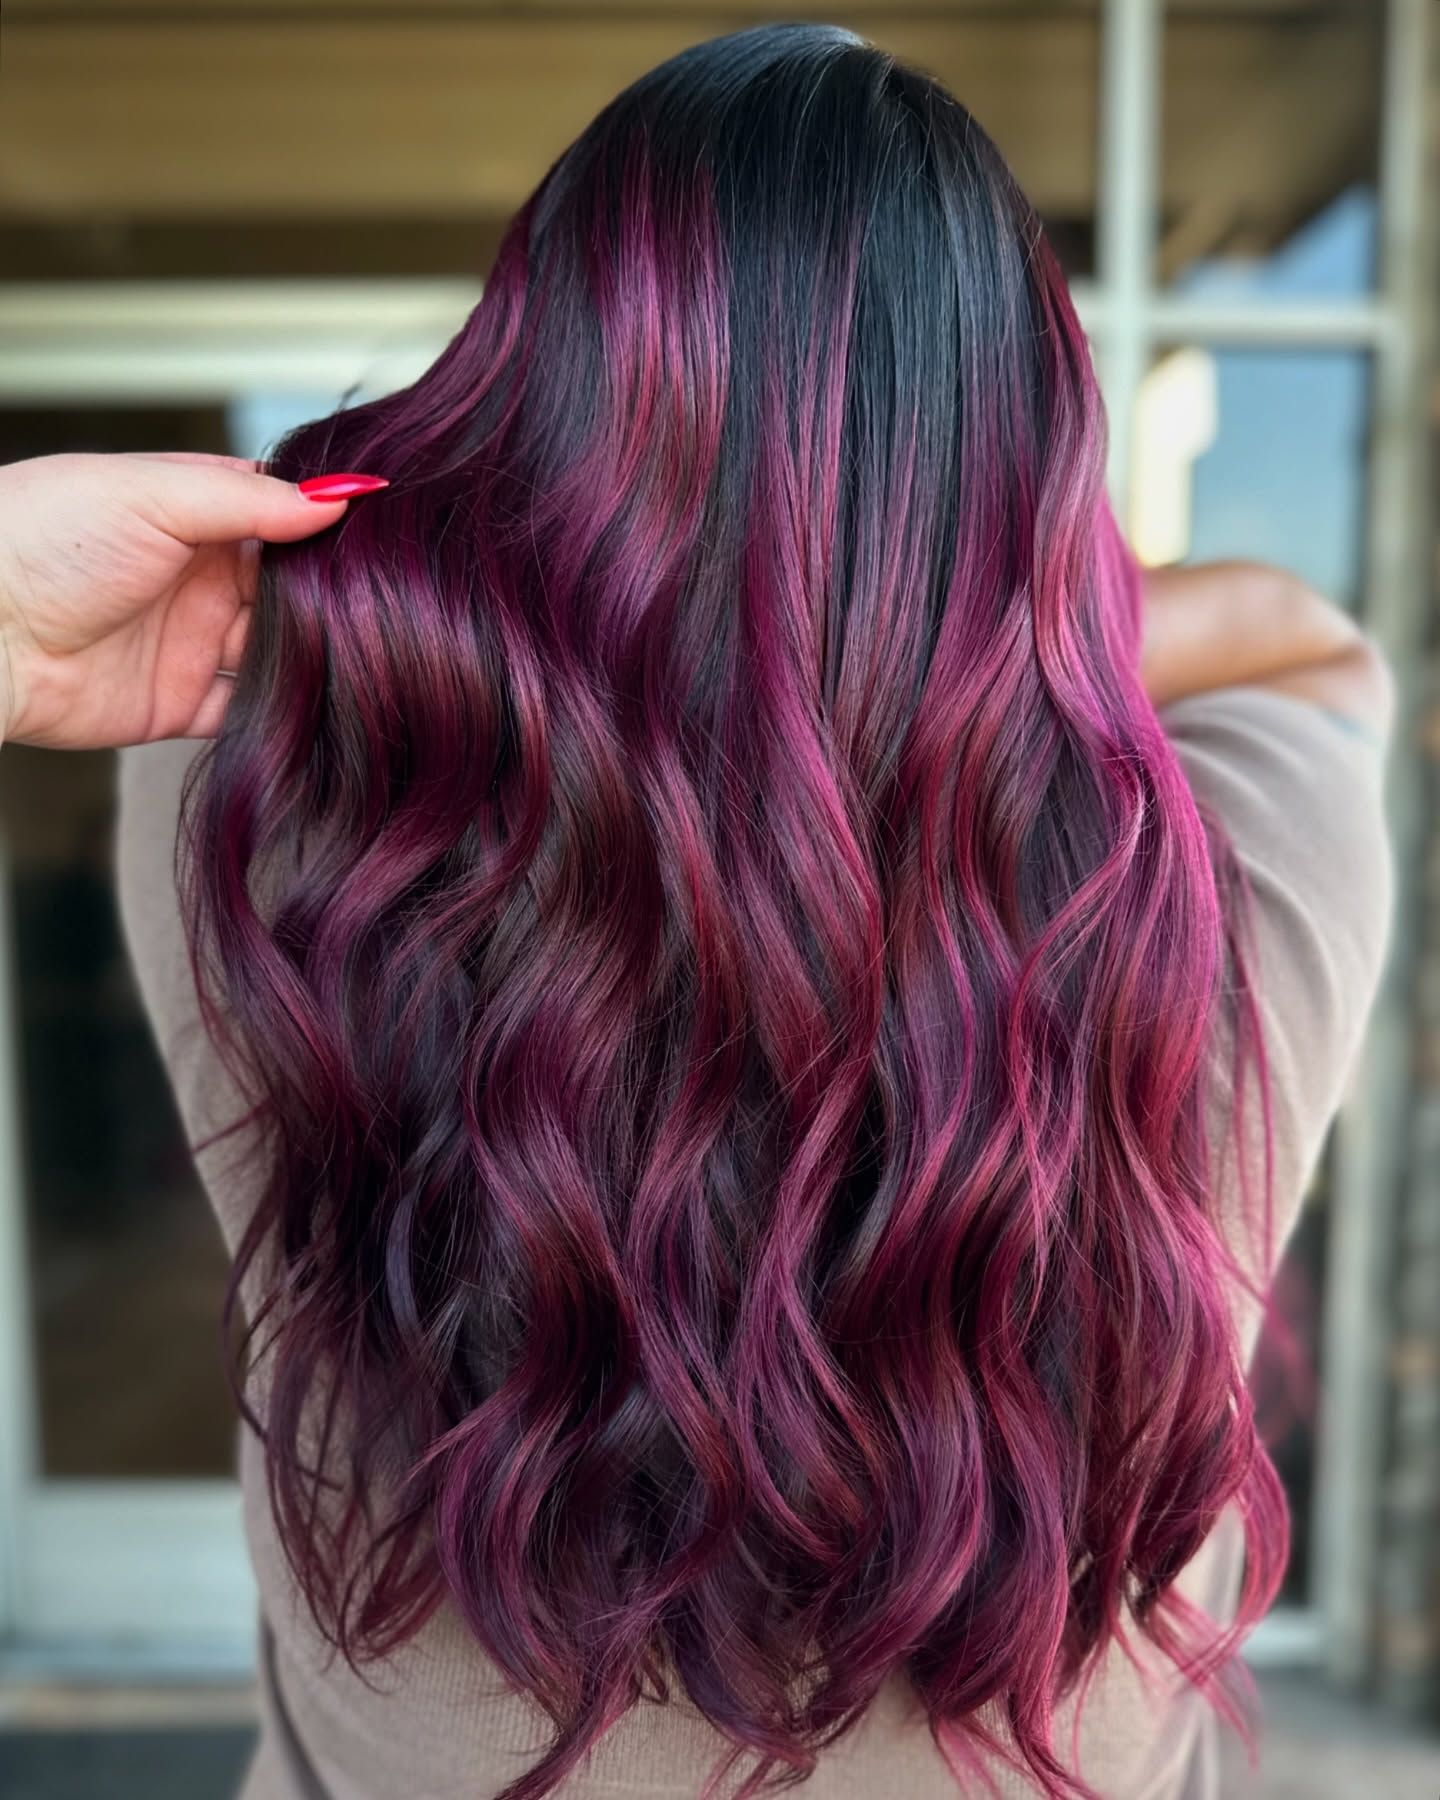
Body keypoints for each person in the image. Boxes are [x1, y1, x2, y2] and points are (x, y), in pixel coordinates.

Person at [0, 25, 1394, 1800]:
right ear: (1031, 499)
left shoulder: (246, 824)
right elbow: (1317, 649)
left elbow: (198, 686)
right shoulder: (1234, 909)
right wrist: (968, 639)